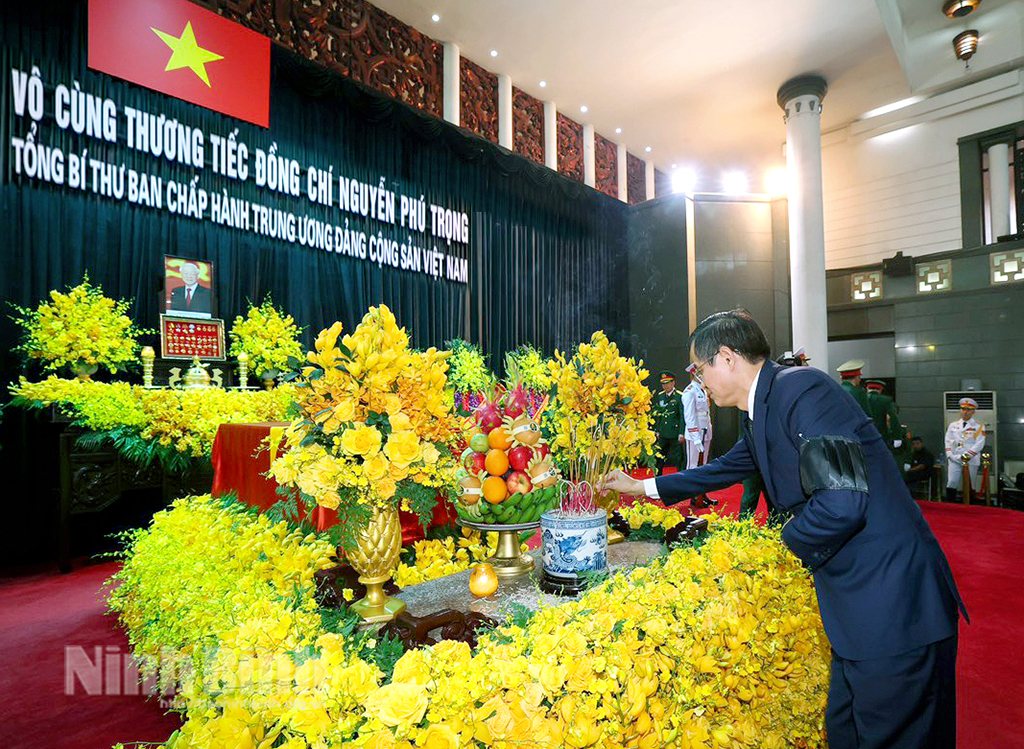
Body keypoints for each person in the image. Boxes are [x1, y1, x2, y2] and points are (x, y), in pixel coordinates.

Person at [602, 309, 966, 749]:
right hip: (860, 613)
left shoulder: (803, 390)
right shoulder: (766, 407)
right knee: (849, 730)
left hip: (893, 605)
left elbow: (842, 503)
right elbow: (721, 470)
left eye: (699, 370)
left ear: (727, 357)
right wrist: (639, 486)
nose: (700, 381)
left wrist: (779, 547)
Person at [682, 364, 716, 508]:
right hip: (694, 435)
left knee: (704, 466)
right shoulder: (689, 391)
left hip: (705, 431)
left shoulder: (702, 389)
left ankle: (703, 494)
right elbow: (689, 416)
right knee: (693, 466)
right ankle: (693, 496)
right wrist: (695, 437)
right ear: (694, 374)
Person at [944, 398, 985, 502]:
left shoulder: (979, 426)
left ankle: (970, 506)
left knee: (970, 483)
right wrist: (949, 454)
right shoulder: (953, 425)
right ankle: (950, 505)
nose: (965, 412)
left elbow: (979, 443)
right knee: (952, 482)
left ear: (973, 412)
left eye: (968, 409)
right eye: (963, 409)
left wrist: (967, 456)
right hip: (954, 458)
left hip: (970, 459)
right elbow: (947, 440)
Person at [652, 372, 684, 474]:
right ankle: (658, 477)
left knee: (679, 458)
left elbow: (682, 416)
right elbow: (658, 413)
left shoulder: (679, 396)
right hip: (663, 432)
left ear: (673, 383)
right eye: (663, 384)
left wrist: (681, 432)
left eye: (668, 383)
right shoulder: (661, 396)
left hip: (675, 433)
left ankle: (681, 477)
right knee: (659, 457)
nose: (665, 386)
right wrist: (657, 429)